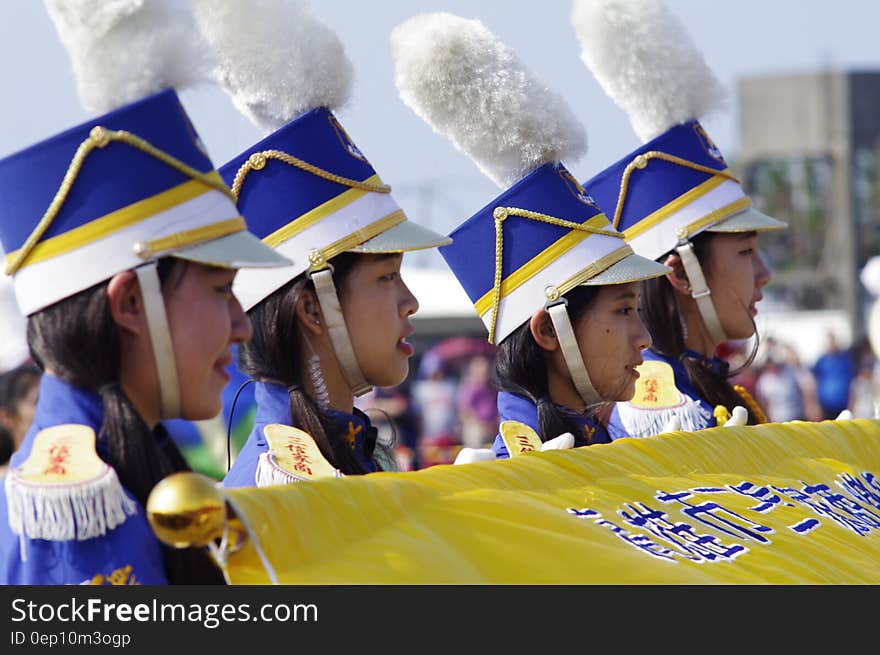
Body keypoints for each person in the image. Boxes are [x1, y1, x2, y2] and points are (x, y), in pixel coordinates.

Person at [0, 2, 289, 585]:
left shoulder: (129, 463)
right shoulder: (77, 512)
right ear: (131, 304)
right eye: (219, 291)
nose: (243, 325)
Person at [191, 1, 451, 488]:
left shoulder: (349, 450)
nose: (410, 301)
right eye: (386, 277)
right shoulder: (275, 490)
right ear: (312, 308)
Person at [390, 13, 670, 459]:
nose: (643, 337)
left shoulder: (619, 445)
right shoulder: (506, 485)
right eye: (622, 310)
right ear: (547, 330)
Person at [573, 0, 787, 436]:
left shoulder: (702, 385)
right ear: (682, 273)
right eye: (746, 251)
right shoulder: (662, 406)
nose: (764, 275)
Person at [812, 332, 856, 420]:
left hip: (843, 403)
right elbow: (814, 382)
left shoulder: (845, 359)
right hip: (826, 405)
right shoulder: (821, 361)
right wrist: (815, 405)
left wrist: (852, 403)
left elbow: (852, 382)